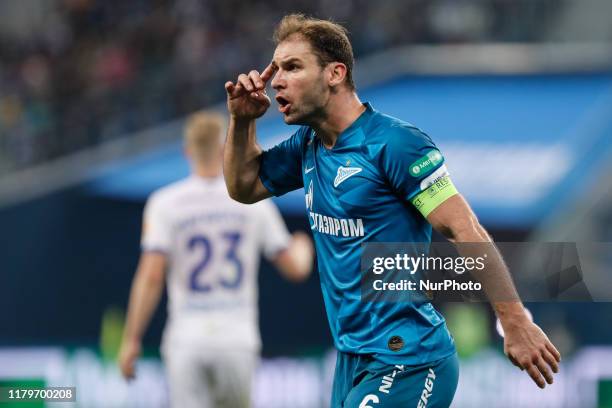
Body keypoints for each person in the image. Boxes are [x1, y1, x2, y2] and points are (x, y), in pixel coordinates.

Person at [223, 13, 561, 408]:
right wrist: (242, 121)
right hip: (352, 358)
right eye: (275, 68)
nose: (276, 80)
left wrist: (514, 320)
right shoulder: (307, 146)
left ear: (335, 73)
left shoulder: (395, 144)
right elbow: (244, 188)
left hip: (410, 357)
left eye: (292, 67)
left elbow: (463, 229)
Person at [118, 110, 314, 408]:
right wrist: (303, 246)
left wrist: (131, 339)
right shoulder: (252, 201)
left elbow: (151, 276)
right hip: (236, 339)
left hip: (186, 339)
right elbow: (294, 269)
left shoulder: (164, 203)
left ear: (187, 151)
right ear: (225, 148)